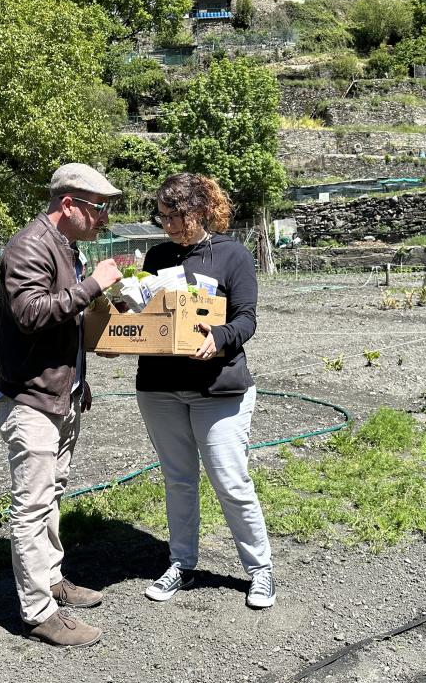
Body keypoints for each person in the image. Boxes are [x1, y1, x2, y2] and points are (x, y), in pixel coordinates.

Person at [0, 163, 124, 647]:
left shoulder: (66, 247)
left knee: (53, 495)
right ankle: (38, 611)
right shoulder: (29, 245)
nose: (104, 218)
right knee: (32, 504)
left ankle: (51, 581)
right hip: (30, 399)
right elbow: (30, 314)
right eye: (98, 208)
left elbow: (65, 325)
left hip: (59, 392)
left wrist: (78, 378)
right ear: (68, 204)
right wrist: (94, 285)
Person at [136, 172, 276, 609]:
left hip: (218, 389)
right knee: (178, 480)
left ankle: (260, 571)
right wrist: (119, 331)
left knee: (230, 481)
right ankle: (182, 563)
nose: (168, 226)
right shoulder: (157, 256)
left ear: (200, 211)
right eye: (162, 217)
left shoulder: (232, 255)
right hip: (159, 387)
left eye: (175, 216)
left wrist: (219, 337)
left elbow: (247, 318)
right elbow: (142, 316)